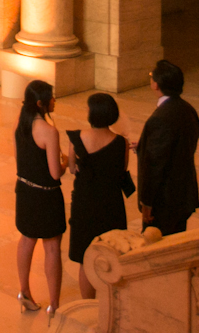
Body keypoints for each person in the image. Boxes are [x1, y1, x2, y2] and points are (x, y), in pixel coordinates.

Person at [68, 93, 131, 298]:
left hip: (85, 205)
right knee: (110, 255)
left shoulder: (77, 139)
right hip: (111, 205)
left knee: (85, 258)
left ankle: (88, 305)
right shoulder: (121, 143)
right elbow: (121, 171)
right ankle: (109, 305)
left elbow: (71, 168)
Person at [14, 79, 66, 317]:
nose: (54, 100)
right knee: (52, 248)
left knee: (26, 240)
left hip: (24, 191)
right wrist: (65, 162)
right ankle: (54, 305)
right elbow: (55, 173)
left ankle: (24, 291)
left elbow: (21, 162)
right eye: (51, 97)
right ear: (40, 103)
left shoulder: (21, 126)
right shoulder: (49, 131)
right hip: (46, 196)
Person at [136, 59, 199, 236]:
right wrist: (143, 145)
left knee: (156, 249)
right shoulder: (188, 109)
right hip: (183, 194)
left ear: (156, 85)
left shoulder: (160, 118)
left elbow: (155, 165)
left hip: (165, 200)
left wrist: (147, 203)